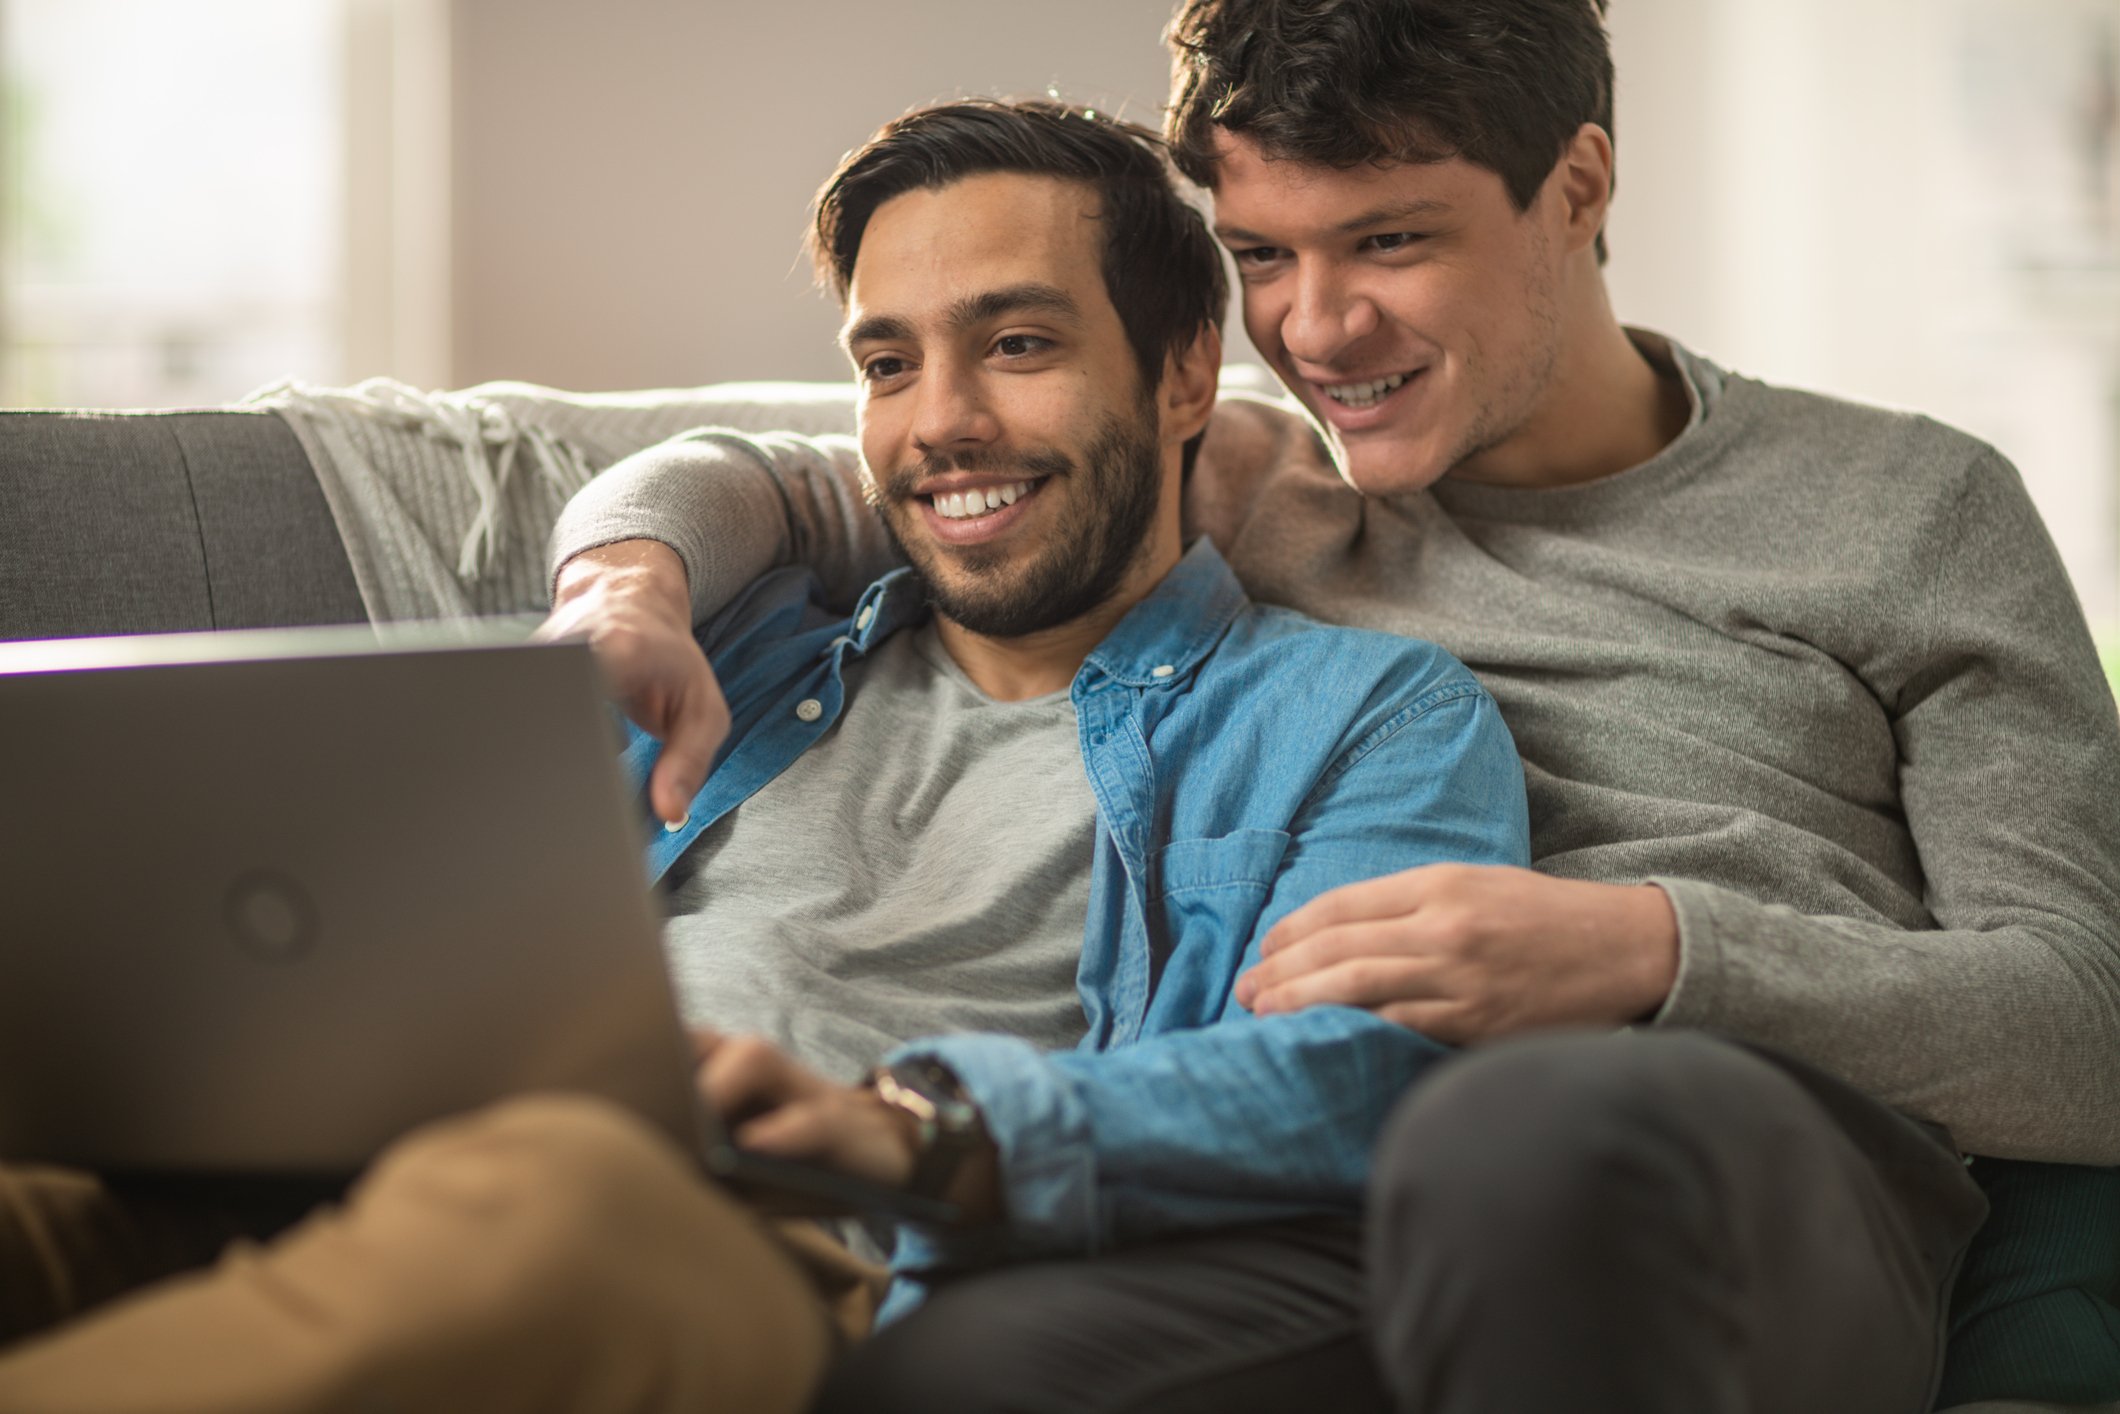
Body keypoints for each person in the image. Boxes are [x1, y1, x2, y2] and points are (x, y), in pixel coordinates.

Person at [545, 2, 2120, 1411]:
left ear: (1576, 189)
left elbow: (2086, 1018)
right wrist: (624, 582)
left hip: (1735, 1158)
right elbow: (804, 475)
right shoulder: (1238, 463)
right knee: (967, 1362)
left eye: (1387, 243)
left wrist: (1648, 948)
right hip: (1338, 1175)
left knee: (1524, 1136)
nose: (1314, 330)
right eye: (1263, 259)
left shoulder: (1910, 507)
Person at [0, 99, 1529, 1414]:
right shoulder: (739, 649)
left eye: (1015, 343)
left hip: (744, 1251)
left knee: (566, 1202)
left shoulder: (1362, 713)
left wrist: (923, 1127)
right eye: (886, 363)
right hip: (400, 1174)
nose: (942, 424)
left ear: (1187, 374)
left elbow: (1370, 1075)